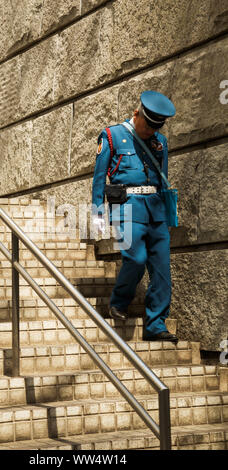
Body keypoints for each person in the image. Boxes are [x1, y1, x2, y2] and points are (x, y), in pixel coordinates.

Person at [91, 90, 178, 343]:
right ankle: (119, 301)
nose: (150, 132)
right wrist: (97, 211)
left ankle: (156, 325)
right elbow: (99, 176)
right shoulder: (112, 135)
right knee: (135, 258)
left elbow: (161, 179)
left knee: (162, 269)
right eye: (147, 126)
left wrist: (165, 211)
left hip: (155, 209)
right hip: (126, 207)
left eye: (155, 128)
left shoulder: (159, 142)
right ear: (136, 114)